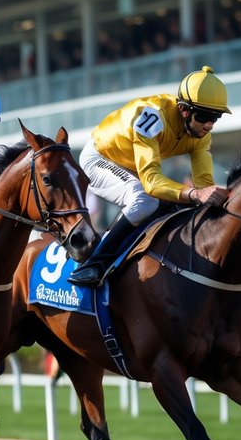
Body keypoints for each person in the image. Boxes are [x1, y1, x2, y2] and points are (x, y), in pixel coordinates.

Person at [67, 65, 232, 287]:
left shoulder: (202, 134)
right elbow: (153, 182)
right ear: (183, 110)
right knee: (144, 199)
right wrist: (194, 193)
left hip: (131, 164)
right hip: (99, 157)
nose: (209, 125)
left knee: (177, 205)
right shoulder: (153, 116)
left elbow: (204, 185)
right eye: (204, 116)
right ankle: (94, 264)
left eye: (216, 117)